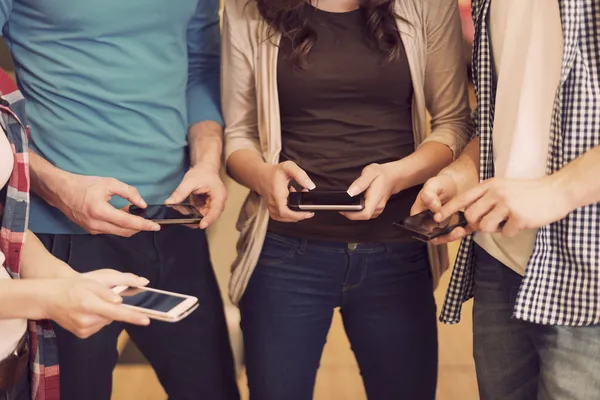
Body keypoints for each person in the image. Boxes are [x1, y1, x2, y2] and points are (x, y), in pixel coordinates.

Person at [222, 0, 472, 397]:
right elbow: (237, 136)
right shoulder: (250, 8)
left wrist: (396, 175)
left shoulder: (426, 4)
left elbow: (454, 122)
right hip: (285, 255)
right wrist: (265, 177)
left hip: (397, 250)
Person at [0, 0, 240, 399]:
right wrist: (55, 186)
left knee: (212, 389)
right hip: (57, 235)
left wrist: (207, 161)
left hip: (173, 220)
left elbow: (199, 67)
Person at [413, 0, 600, 398]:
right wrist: (462, 171)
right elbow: (506, 113)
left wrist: (558, 190)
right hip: (501, 260)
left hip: (590, 277)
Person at [0, 69, 150, 400]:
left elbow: (5, 226)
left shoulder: (2, 88)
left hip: (14, 359)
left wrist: (65, 279)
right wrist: (48, 297)